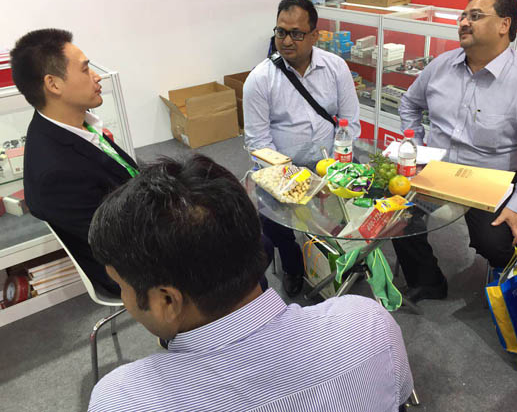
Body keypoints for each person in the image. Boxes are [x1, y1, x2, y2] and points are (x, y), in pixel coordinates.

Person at [86, 154, 413, 411]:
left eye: (122, 286)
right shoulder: (368, 323)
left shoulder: (123, 400)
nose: (124, 299)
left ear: (167, 301)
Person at [393, 0, 517, 302]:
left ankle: (515, 281)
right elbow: (409, 104)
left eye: (475, 16)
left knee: (495, 243)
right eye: (463, 16)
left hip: (492, 178)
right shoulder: (441, 66)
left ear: (504, 24)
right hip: (436, 169)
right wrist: (416, 148)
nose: (464, 22)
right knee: (392, 215)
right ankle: (427, 280)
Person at [244, 0, 361, 296]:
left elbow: (350, 122)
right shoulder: (259, 79)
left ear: (314, 35)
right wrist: (293, 180)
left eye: (296, 33)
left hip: (331, 163)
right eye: (281, 32)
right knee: (274, 222)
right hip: (282, 171)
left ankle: (340, 260)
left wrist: (334, 168)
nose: (286, 41)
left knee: (355, 206)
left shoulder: (336, 67)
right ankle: (293, 265)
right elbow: (258, 142)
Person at [10, 29, 139, 294]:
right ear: (53, 84)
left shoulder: (76, 125)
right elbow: (124, 244)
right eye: (85, 69)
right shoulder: (55, 172)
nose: (96, 76)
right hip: (133, 270)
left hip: (142, 217)